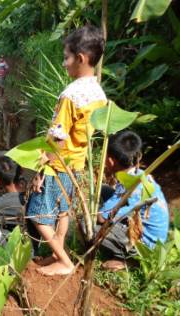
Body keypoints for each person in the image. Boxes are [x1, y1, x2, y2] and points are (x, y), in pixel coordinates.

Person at [26, 25, 107, 275]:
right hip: (77, 163)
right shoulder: (98, 92)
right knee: (62, 210)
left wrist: (42, 165)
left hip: (59, 163)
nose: (64, 64)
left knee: (38, 214)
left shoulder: (70, 94)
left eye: (67, 58)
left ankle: (64, 261)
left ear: (81, 58)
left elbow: (58, 137)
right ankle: (56, 253)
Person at [97, 131, 169, 271]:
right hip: (156, 236)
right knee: (105, 190)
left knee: (87, 227)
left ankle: (132, 261)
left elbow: (101, 218)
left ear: (111, 161)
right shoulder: (138, 174)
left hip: (147, 247)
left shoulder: (130, 187)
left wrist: (95, 214)